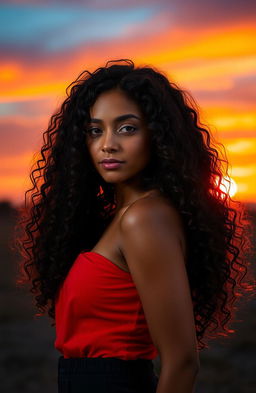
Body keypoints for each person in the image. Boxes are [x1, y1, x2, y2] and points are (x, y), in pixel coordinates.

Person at [14, 59, 253, 393]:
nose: (107, 144)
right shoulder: (121, 215)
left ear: (157, 136)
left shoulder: (144, 218)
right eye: (95, 130)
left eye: (127, 128)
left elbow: (182, 361)